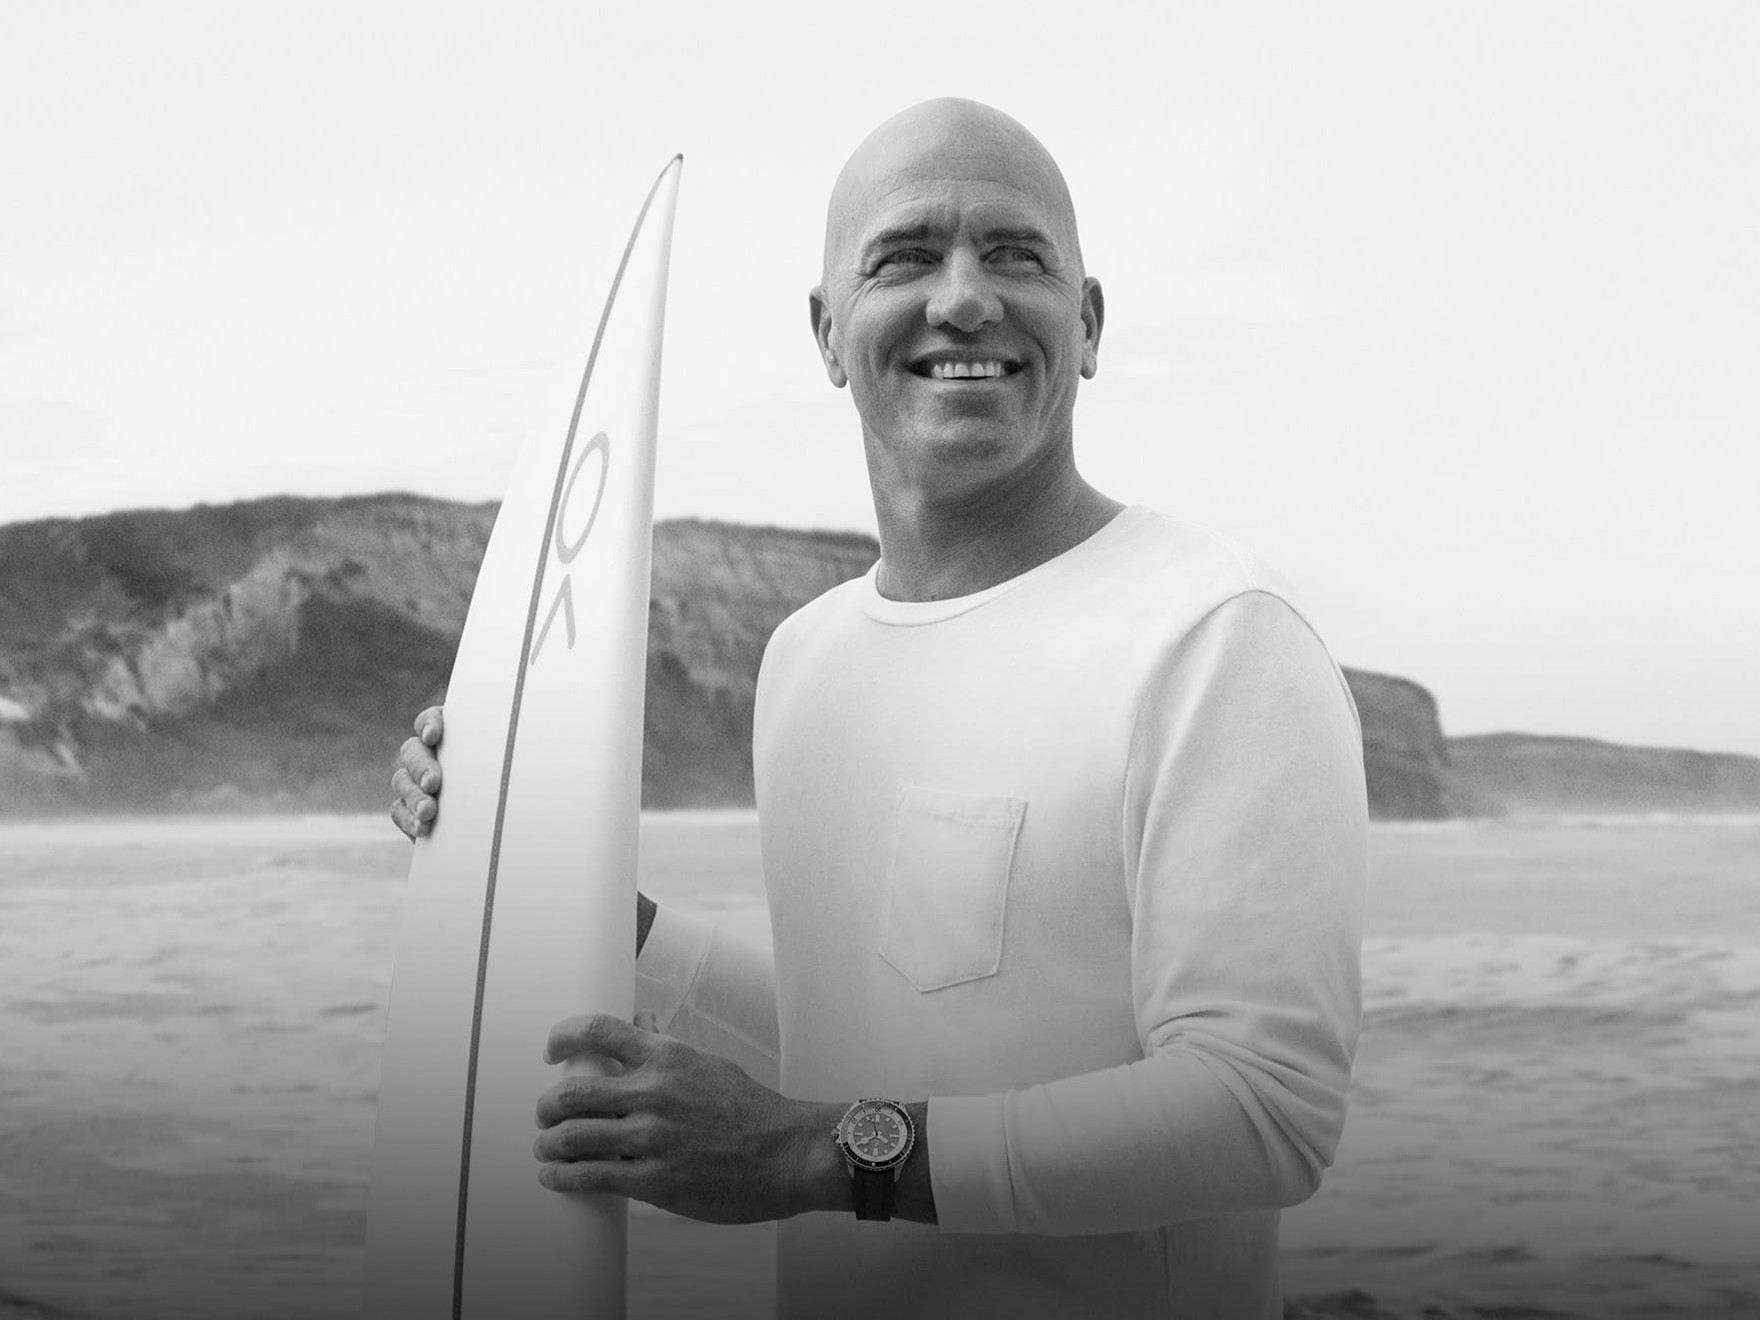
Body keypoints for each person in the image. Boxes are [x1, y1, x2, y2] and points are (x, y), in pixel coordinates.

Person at [391, 97, 1366, 1319]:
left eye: (1015, 254)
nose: (964, 298)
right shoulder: (806, 662)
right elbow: (870, 1040)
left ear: (1091, 322)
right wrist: (586, 908)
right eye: (905, 257)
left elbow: (1261, 1109)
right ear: (826, 330)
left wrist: (810, 1154)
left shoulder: (1213, 636)